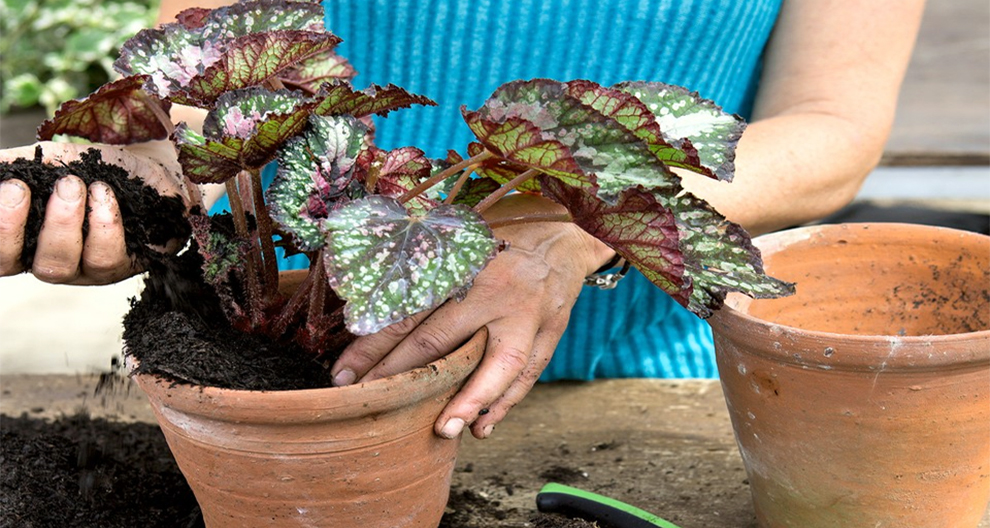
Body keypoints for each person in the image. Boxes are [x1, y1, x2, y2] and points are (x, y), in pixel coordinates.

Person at [0, 0, 925, 440]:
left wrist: (568, 219)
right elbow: (216, 60)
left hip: (658, 382)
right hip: (314, 374)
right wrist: (137, 168)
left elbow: (833, 129)